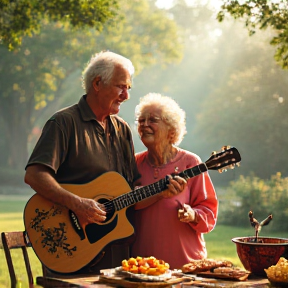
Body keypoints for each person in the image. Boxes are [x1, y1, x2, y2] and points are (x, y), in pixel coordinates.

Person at [24, 51, 183, 275]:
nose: (126, 95)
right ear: (97, 83)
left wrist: (160, 192)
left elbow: (132, 196)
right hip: (70, 252)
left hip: (116, 258)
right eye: (121, 86)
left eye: (128, 88)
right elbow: (34, 175)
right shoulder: (63, 123)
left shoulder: (122, 130)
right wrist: (78, 204)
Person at [131, 92, 219, 269]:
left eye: (153, 120)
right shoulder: (133, 164)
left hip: (185, 265)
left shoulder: (191, 163)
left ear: (171, 129)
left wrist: (192, 215)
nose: (145, 125)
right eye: (141, 121)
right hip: (141, 267)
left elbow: (209, 211)